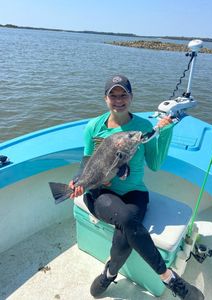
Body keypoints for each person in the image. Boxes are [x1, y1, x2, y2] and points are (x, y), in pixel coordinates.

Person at [69, 75, 204, 300]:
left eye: (124, 95)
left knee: (126, 226)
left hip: (134, 194)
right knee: (125, 219)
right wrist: (77, 180)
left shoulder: (142, 128)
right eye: (113, 95)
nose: (119, 100)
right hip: (100, 193)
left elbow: (155, 163)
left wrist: (166, 131)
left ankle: (109, 273)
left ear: (131, 97)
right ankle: (169, 278)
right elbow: (86, 163)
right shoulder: (93, 127)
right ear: (105, 98)